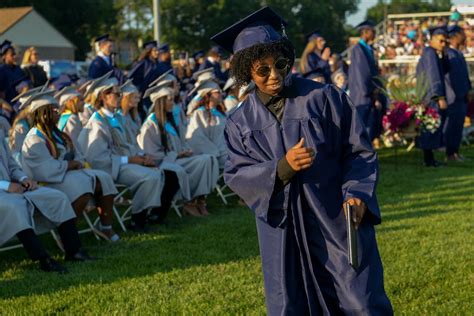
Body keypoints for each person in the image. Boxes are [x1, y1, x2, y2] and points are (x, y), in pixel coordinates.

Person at [212, 6, 392, 314]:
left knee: (359, 301)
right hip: (284, 234)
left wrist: (358, 194)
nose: (274, 75)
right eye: (262, 70)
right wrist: (283, 167)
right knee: (292, 305)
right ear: (246, 72)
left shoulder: (324, 98)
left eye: (280, 64)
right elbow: (237, 174)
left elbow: (358, 152)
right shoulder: (240, 123)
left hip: (334, 220)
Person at [77, 74, 179, 231]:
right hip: (112, 168)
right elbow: (98, 159)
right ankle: (137, 221)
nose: (120, 96)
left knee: (165, 173)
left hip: (126, 162)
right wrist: (131, 160)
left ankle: (151, 216)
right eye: (117, 94)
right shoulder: (97, 123)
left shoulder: (118, 118)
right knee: (150, 177)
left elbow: (131, 144)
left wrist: (143, 156)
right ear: (104, 96)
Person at [20, 91, 120, 241]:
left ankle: (105, 227)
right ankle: (66, 233)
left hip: (67, 175)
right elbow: (44, 169)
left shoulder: (57, 133)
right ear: (43, 114)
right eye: (53, 110)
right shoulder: (34, 139)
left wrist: (78, 162)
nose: (58, 112)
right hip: (48, 182)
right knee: (82, 189)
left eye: (57, 108)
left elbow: (76, 152)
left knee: (103, 179)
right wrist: (70, 164)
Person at [0, 129, 93, 273]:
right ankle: (43, 259)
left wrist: (24, 179)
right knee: (16, 208)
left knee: (57, 197)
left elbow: (12, 165)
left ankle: (74, 250)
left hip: (15, 187)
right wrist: (6, 185)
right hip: (5, 191)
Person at [138, 83, 219, 217]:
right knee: (201, 162)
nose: (173, 103)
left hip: (176, 159)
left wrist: (184, 151)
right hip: (165, 164)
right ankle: (188, 202)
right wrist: (177, 154)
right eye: (169, 100)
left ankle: (199, 200)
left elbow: (180, 142)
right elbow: (152, 154)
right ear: (161, 102)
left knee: (208, 159)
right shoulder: (150, 124)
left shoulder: (168, 121)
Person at [348, 21, 387, 147]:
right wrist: (371, 92)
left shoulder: (368, 49)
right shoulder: (358, 49)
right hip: (363, 94)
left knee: (371, 122)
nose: (374, 33)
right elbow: (362, 74)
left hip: (370, 92)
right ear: (365, 32)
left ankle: (368, 147)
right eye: (372, 31)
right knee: (364, 124)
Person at [416, 26, 449, 167]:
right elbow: (433, 76)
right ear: (433, 39)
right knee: (430, 126)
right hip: (431, 97)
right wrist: (439, 97)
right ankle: (428, 160)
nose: (443, 44)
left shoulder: (433, 53)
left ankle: (429, 159)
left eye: (445, 41)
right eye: (441, 41)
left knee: (430, 126)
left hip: (428, 96)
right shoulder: (430, 53)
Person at [444, 25, 471, 162]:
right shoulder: (449, 54)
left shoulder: (458, 53)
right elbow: (453, 78)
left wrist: (469, 90)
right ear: (455, 36)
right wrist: (462, 92)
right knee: (452, 126)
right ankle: (450, 153)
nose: (464, 36)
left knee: (458, 126)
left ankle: (455, 152)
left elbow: (464, 76)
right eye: (462, 33)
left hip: (461, 96)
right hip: (453, 96)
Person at [186, 80, 227, 168]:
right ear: (208, 95)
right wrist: (215, 152)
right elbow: (198, 137)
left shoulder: (221, 114)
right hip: (216, 154)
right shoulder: (199, 114)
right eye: (217, 92)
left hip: (226, 151)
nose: (221, 94)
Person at [117, 80, 142, 147]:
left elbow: (138, 132)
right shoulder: (118, 116)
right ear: (126, 98)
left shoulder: (130, 115)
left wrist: (135, 112)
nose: (138, 100)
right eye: (135, 97)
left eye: (138, 97)